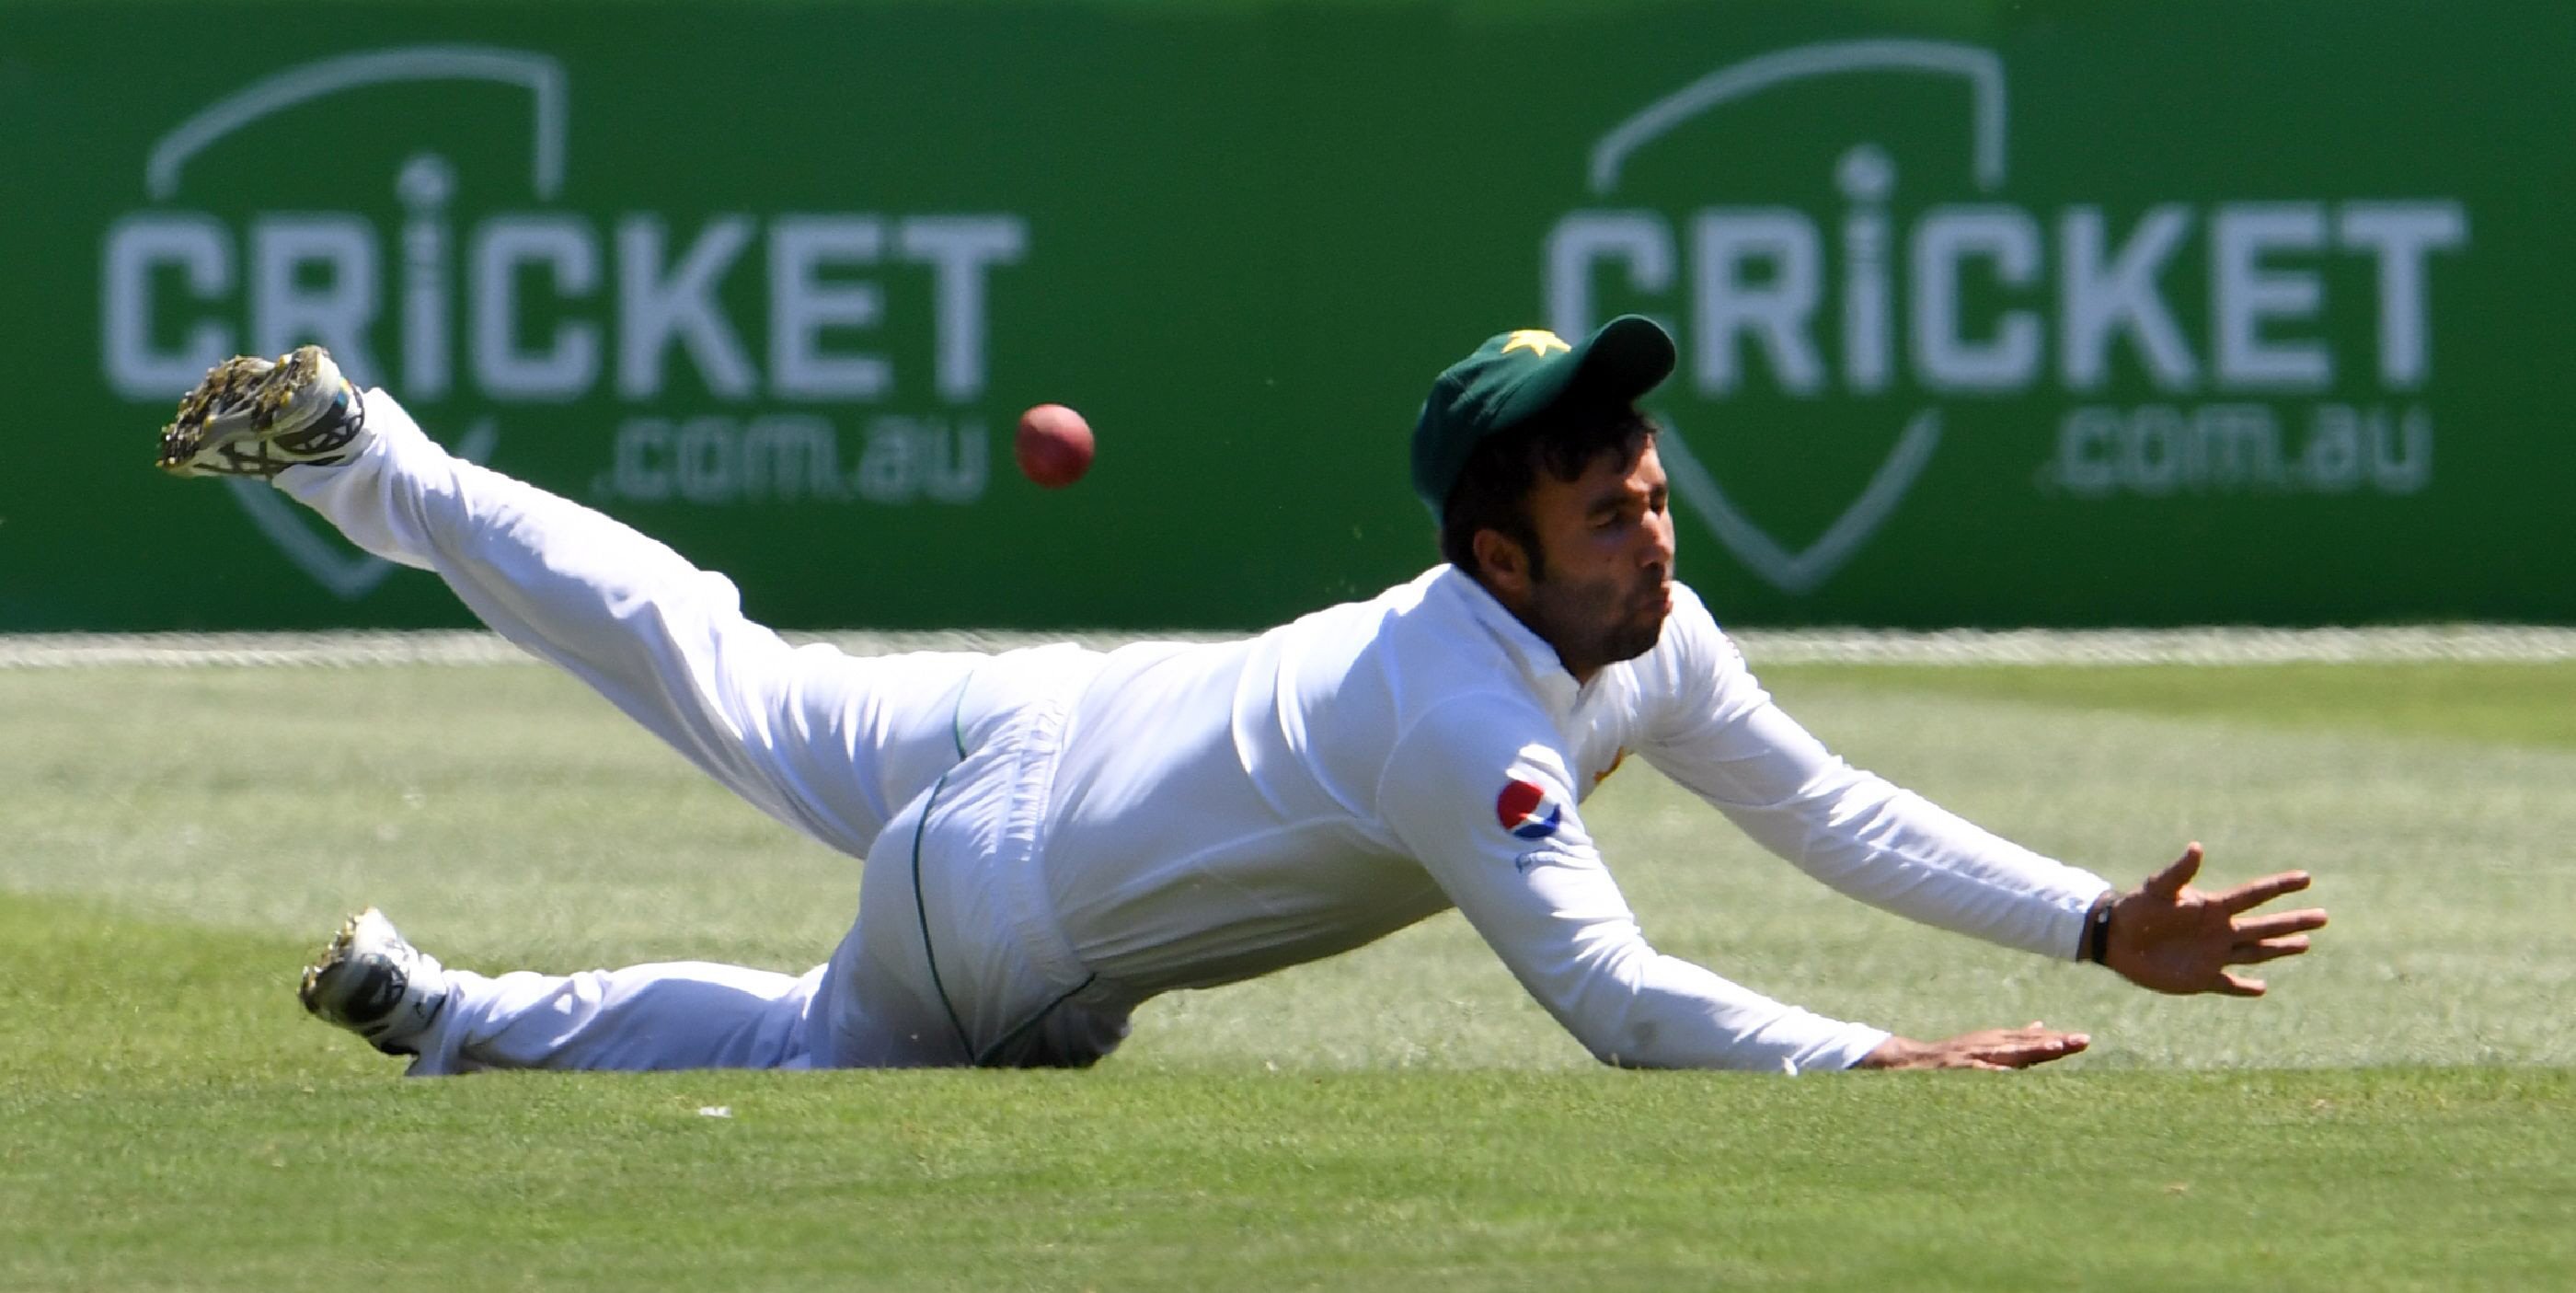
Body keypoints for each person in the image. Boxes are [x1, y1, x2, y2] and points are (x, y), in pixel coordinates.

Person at [155, 317, 2326, 1076]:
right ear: (1496, 552)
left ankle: (378, 461)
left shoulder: (1635, 637)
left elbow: (1822, 803)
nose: (1653, 537)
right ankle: (453, 1011)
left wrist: (2075, 920)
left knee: (714, 648)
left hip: (1048, 720)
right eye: (1606, 509)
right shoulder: (1460, 717)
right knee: (831, 1050)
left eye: (1652, 492)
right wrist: (1875, 1051)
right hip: (1012, 897)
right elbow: (1620, 1003)